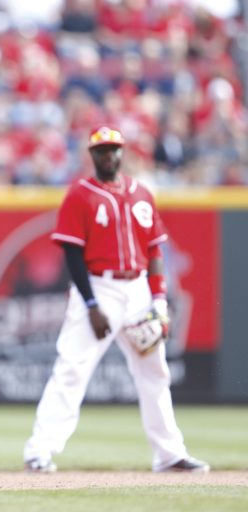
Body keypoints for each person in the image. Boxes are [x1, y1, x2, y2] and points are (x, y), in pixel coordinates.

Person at [23, 126, 210, 474]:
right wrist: (91, 304)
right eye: (102, 150)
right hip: (98, 286)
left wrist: (159, 301)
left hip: (138, 288)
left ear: (123, 152)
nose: (108, 155)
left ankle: (169, 454)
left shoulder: (141, 193)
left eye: (114, 149)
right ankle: (39, 451)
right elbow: (73, 255)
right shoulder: (80, 194)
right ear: (92, 155)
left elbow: (155, 251)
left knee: (155, 372)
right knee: (71, 369)